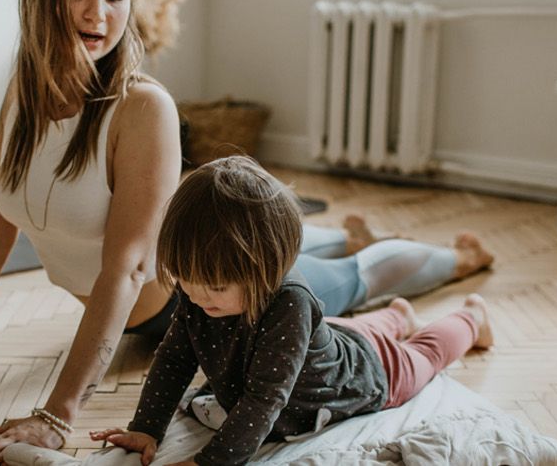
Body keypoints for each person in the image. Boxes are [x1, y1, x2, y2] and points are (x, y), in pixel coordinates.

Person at [0, 0, 486, 464]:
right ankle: (346, 238)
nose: (98, 12)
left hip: (200, 301)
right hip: (170, 294)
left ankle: (452, 262)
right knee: (314, 251)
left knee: (350, 278)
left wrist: (58, 415)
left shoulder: (142, 107)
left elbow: (130, 266)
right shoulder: (21, 98)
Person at [90, 157, 494, 465]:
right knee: (351, 332)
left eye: (213, 287)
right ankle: (398, 315)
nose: (196, 297)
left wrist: (211, 462)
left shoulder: (290, 303)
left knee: (424, 354)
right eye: (186, 283)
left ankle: (471, 318)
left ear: (266, 268)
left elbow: (264, 399)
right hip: (328, 339)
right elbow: (175, 359)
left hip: (367, 372)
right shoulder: (200, 293)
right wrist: (146, 427)